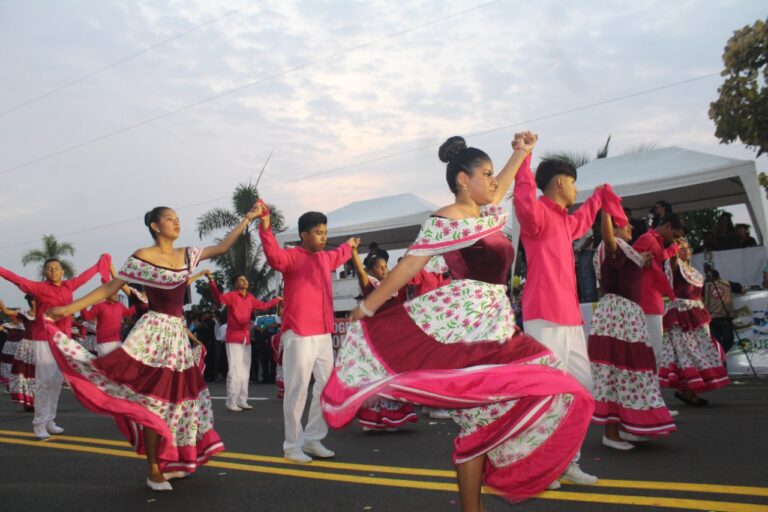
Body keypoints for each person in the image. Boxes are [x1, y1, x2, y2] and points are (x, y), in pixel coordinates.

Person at [323, 133, 595, 510]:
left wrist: (520, 152)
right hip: (468, 324)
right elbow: (409, 264)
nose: (493, 180)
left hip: (497, 321)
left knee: (535, 391)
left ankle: (476, 503)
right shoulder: (446, 219)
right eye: (486, 173)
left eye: (492, 173)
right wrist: (368, 307)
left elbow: (501, 183)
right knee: (493, 412)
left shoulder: (484, 212)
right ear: (464, 180)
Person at [45, 204, 262, 491]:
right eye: (170, 219)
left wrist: (248, 218)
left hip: (177, 337)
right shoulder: (142, 257)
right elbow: (110, 288)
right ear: (155, 226)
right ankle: (153, 469)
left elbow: (221, 248)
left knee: (178, 402)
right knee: (153, 401)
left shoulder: (187, 254)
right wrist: (68, 309)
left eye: (178, 219)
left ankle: (171, 461)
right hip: (153, 335)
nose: (176, 223)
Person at [513, 154, 626, 485]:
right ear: (560, 182)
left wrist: (599, 197)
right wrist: (523, 159)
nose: (576, 188)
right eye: (574, 181)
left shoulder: (564, 221)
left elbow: (584, 218)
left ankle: (565, 462)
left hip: (570, 319)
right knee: (547, 394)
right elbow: (522, 198)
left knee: (581, 392)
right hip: (543, 318)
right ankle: (539, 465)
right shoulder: (536, 216)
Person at [257, 201, 359, 464]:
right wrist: (265, 225)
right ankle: (292, 445)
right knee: (297, 389)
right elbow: (272, 256)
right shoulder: (291, 256)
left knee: (325, 387)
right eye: (318, 233)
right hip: (299, 333)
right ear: (304, 235)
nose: (323, 237)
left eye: (325, 232)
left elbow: (343, 253)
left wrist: (351, 244)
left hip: (324, 333)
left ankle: (313, 438)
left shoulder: (326, 257)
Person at [0, 254, 112, 439]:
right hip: (43, 338)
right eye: (49, 268)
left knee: (57, 381)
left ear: (62, 271)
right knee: (44, 381)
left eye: (56, 268)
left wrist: (100, 264)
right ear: (44, 272)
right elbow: (16, 279)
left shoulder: (69, 285)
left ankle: (50, 419)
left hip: (63, 340)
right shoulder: (38, 287)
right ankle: (39, 424)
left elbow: (85, 276)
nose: (53, 270)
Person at [589, 213, 676, 450]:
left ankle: (627, 426)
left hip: (627, 314)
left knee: (632, 371)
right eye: (624, 222)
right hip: (618, 315)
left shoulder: (625, 250)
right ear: (614, 228)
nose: (629, 226)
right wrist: (606, 210)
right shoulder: (612, 245)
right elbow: (608, 238)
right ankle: (611, 432)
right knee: (617, 370)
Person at [349, 245, 417, 432]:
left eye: (386, 267)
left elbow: (407, 268)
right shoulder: (370, 283)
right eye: (380, 267)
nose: (384, 270)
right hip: (376, 337)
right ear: (372, 271)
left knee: (389, 376)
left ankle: (388, 418)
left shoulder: (392, 285)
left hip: (392, 337)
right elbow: (361, 272)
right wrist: (354, 253)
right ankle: (374, 418)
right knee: (377, 377)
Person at [659, 238, 730, 405]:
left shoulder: (692, 271)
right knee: (686, 352)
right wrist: (674, 248)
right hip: (681, 314)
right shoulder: (675, 267)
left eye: (687, 248)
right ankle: (688, 392)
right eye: (681, 248)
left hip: (696, 313)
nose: (686, 251)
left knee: (700, 350)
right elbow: (672, 261)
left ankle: (687, 391)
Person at [206, 271, 281, 411]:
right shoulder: (232, 296)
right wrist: (211, 281)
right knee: (235, 370)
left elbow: (264, 306)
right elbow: (218, 297)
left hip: (246, 338)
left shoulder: (250, 298)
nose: (244, 281)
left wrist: (277, 300)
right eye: (240, 279)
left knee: (245, 370)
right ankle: (231, 401)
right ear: (235, 284)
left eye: (245, 279)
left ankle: (242, 400)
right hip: (234, 337)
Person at [632, 215, 685, 367]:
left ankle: (649, 388)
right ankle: (650, 388)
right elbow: (628, 262)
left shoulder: (654, 241)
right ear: (668, 226)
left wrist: (673, 249)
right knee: (654, 353)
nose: (674, 239)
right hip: (646, 300)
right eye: (674, 235)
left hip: (651, 299)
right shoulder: (648, 238)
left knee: (653, 352)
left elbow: (659, 257)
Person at [80, 293, 136, 357]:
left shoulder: (120, 305)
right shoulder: (99, 305)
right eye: (113, 293)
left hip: (117, 341)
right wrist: (83, 304)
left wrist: (138, 302)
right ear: (107, 294)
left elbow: (128, 313)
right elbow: (86, 317)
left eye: (116, 293)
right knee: (107, 365)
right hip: (103, 342)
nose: (116, 295)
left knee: (120, 363)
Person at [705, 269, 736, 353]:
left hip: (712, 319)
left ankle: (719, 358)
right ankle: (720, 356)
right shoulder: (728, 283)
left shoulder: (705, 286)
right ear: (719, 276)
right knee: (729, 341)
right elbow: (741, 289)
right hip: (724, 318)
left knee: (716, 344)